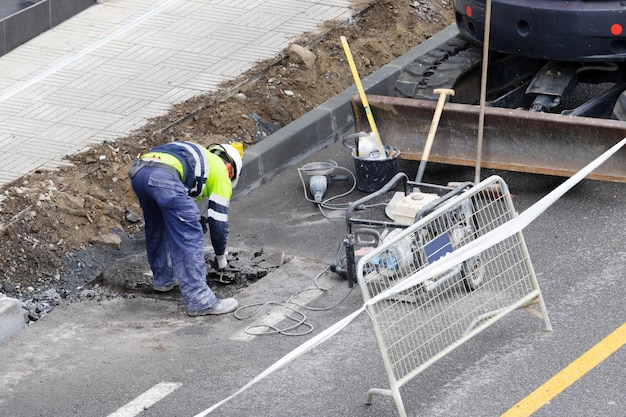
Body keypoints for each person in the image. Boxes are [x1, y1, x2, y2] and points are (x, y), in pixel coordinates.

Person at [129, 141, 243, 316]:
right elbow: (218, 223)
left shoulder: (201, 156)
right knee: (189, 234)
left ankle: (163, 279)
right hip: (163, 177)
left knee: (157, 226)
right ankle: (200, 300)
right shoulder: (221, 175)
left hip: (139, 173)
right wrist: (220, 257)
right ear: (230, 169)